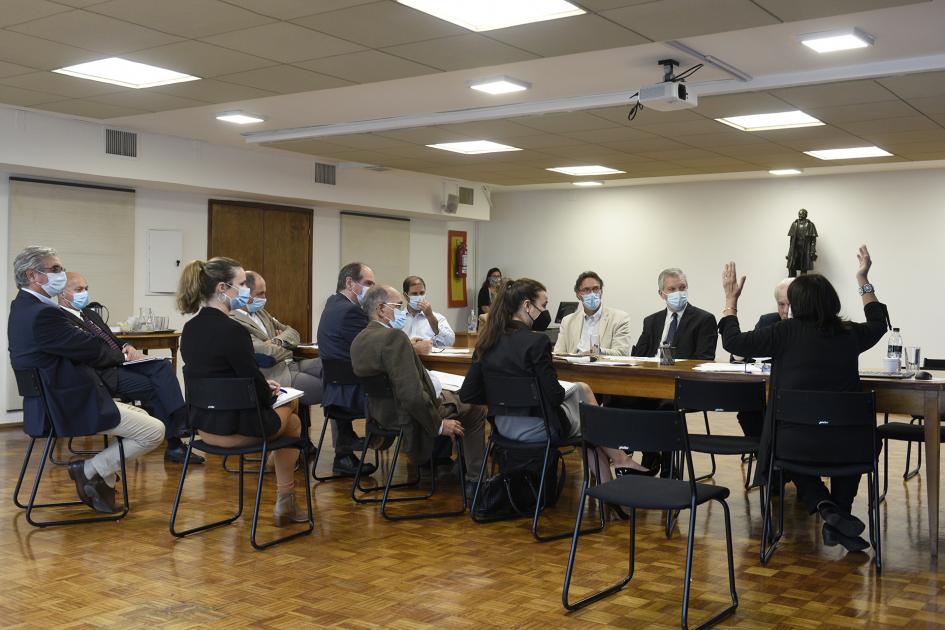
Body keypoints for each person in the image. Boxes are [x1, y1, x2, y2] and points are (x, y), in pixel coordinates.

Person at [719, 245, 887, 553]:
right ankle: (841, 514)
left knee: (782, 442)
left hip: (796, 444)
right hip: (849, 444)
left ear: (796, 304)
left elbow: (733, 341)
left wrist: (731, 300)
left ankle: (827, 508)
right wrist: (863, 279)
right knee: (853, 442)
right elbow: (878, 322)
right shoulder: (850, 333)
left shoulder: (783, 333)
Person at [8, 246, 164, 513]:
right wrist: (119, 354)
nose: (62, 273)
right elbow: (94, 349)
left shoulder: (21, 307)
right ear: (33, 275)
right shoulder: (44, 314)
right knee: (154, 431)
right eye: (55, 269)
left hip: (53, 401)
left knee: (140, 414)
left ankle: (100, 479)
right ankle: (90, 470)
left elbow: (86, 347)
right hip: (69, 405)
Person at [459, 278, 650, 483]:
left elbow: (468, 393)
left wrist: (501, 398)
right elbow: (554, 396)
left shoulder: (486, 342)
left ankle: (612, 478)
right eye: (543, 305)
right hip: (538, 429)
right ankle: (617, 465)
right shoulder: (537, 341)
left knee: (585, 406)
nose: (544, 312)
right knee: (589, 417)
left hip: (501, 428)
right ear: (526, 305)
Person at [177, 257, 307, 526]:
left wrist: (261, 385)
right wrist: (270, 390)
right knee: (293, 409)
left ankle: (286, 496)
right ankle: (286, 500)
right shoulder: (233, 330)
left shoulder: (189, 329)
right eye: (241, 284)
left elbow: (222, 377)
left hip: (204, 427)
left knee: (289, 417)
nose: (246, 290)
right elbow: (255, 388)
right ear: (223, 288)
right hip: (236, 430)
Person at [351, 286, 486, 493]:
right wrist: (439, 426)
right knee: (476, 408)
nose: (401, 310)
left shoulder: (359, 339)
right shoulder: (394, 338)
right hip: (406, 415)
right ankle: (476, 481)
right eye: (397, 306)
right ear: (380, 309)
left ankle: (454, 465)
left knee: (456, 397)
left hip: (380, 415)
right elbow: (412, 396)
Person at [57, 272, 199, 464]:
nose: (85, 293)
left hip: (120, 362)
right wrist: (123, 356)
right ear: (61, 293)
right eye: (79, 289)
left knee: (163, 366)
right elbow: (92, 354)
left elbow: (111, 339)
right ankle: (176, 442)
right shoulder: (61, 320)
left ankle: (181, 421)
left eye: (86, 288)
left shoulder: (89, 313)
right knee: (156, 387)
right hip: (103, 374)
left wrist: (127, 346)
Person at [316, 262, 377, 477]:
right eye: (368, 283)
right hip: (354, 391)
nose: (372, 288)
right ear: (350, 282)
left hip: (336, 389)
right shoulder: (351, 311)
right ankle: (425, 456)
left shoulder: (333, 304)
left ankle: (343, 452)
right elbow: (373, 347)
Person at [229, 270, 323, 405]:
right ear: (245, 293)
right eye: (260, 294)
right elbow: (267, 354)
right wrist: (287, 345)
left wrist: (276, 341)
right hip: (275, 375)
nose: (264, 297)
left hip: (290, 364)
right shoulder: (233, 320)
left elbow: (293, 333)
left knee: (331, 365)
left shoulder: (261, 312)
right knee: (330, 389)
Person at [734, 277, 794, 437]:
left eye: (791, 304)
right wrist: (739, 353)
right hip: (768, 391)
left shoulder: (811, 326)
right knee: (748, 411)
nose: (786, 311)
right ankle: (764, 455)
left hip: (795, 394)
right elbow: (742, 359)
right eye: (782, 304)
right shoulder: (768, 321)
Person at [631, 267, 718, 359]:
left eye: (682, 288)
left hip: (683, 372)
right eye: (672, 289)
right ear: (661, 294)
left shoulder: (704, 319)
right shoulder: (651, 321)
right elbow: (638, 356)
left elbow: (704, 359)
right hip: (653, 370)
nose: (678, 293)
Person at [554, 271, 631, 356]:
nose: (592, 294)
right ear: (578, 294)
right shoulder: (567, 321)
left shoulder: (619, 318)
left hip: (602, 368)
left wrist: (597, 352)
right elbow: (558, 353)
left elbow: (622, 353)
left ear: (601, 291)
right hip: (574, 367)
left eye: (595, 289)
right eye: (586, 290)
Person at [402, 275, 455, 352]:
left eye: (422, 293)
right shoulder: (398, 319)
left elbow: (449, 342)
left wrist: (430, 316)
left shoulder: (437, 317)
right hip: (405, 361)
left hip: (430, 361)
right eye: (414, 294)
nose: (419, 297)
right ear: (405, 296)